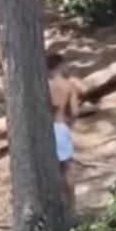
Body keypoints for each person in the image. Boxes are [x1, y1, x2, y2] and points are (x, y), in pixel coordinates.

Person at [47, 52, 80, 219]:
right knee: (67, 168)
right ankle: (71, 207)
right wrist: (69, 122)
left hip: (45, 130)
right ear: (59, 66)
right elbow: (75, 112)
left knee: (51, 170)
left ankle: (55, 207)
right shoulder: (69, 86)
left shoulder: (44, 86)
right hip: (61, 126)